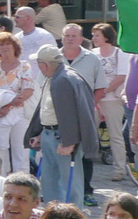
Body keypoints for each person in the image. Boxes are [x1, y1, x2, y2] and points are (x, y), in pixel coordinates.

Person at [28, 45, 99, 205]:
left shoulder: (64, 80)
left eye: (38, 63)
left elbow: (71, 113)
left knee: (70, 184)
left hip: (62, 138)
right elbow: (50, 109)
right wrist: (40, 133)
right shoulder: (55, 77)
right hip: (51, 134)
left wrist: (69, 142)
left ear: (44, 65)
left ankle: (73, 216)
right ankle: (54, 215)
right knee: (50, 182)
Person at [0, 31, 38, 175]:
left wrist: (8, 106)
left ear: (15, 47)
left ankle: (22, 180)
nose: (5, 47)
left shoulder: (24, 66)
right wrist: (1, 106)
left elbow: (28, 90)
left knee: (21, 152)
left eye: (8, 44)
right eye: (1, 45)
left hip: (19, 114)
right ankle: (1, 180)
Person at [90, 23, 133, 182]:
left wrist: (104, 91)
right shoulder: (92, 54)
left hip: (112, 99)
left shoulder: (119, 54)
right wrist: (96, 97)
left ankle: (119, 169)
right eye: (93, 35)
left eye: (97, 35)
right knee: (89, 133)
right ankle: (85, 167)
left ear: (106, 37)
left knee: (115, 135)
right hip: (95, 100)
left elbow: (121, 76)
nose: (94, 38)